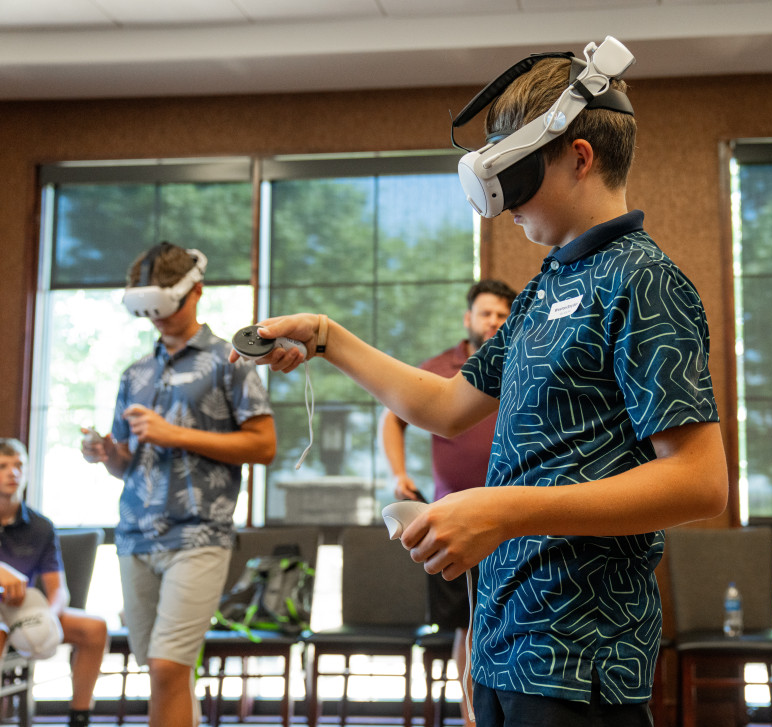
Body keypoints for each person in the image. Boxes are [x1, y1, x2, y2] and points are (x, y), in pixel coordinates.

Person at [232, 42, 728, 727]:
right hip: (503, 642)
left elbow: (700, 482)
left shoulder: (644, 281)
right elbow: (444, 405)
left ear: (579, 157)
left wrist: (502, 510)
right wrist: (327, 337)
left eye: (517, 175)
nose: (501, 204)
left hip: (579, 658)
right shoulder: (543, 289)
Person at [82, 242, 276, 727]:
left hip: (198, 535)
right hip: (135, 537)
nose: (158, 320)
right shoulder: (136, 373)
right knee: (162, 673)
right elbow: (127, 464)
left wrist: (175, 434)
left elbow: (264, 445)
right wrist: (108, 453)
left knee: (169, 667)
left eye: (166, 308)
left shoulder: (230, 361)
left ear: (197, 292)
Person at [380, 277, 517, 724]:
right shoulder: (442, 367)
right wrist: (400, 474)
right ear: (468, 318)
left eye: (501, 314)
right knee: (468, 626)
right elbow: (393, 415)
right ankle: (472, 715)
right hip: (452, 520)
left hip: (514, 519)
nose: (493, 321)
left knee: (511, 624)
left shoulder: (523, 358)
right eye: (485, 313)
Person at [0, 438, 108, 727]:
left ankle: (79, 717)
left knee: (95, 628)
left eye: (19, 465)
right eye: (3, 466)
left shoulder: (41, 526)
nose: (13, 473)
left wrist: (49, 614)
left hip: (24, 610)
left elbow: (58, 589)